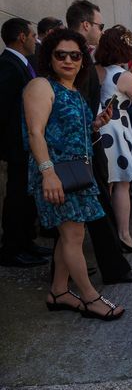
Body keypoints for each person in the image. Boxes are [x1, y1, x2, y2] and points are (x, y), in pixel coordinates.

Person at [23, 28, 124, 320]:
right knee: (73, 233)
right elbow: (35, 133)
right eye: (60, 55)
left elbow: (68, 131)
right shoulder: (42, 86)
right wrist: (48, 173)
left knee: (71, 235)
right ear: (49, 57)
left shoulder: (73, 91)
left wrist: (96, 124)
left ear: (82, 60)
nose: (68, 60)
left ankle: (58, 291)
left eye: (75, 55)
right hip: (56, 172)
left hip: (78, 171)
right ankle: (91, 298)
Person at [66, 0, 132, 284]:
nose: (100, 31)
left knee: (97, 200)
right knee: (106, 195)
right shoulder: (80, 56)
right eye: (99, 25)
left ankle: (73, 273)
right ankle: (116, 257)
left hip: (96, 131)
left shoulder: (93, 64)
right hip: (93, 135)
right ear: (86, 25)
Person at [94, 25, 132, 252]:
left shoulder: (98, 70)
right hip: (117, 128)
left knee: (107, 184)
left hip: (101, 127)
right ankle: (124, 236)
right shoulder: (123, 75)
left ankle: (106, 236)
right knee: (121, 183)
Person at [0, 18, 50, 267]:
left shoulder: (23, 64)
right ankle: (11, 249)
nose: (34, 39)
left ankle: (26, 242)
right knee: (17, 196)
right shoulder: (8, 66)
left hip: (26, 143)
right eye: (31, 35)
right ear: (21, 36)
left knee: (26, 196)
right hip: (16, 145)